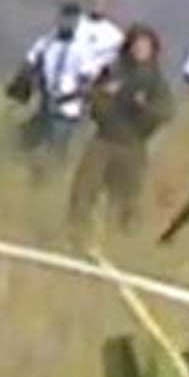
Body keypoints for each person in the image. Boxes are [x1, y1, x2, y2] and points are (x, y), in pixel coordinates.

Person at [68, 24, 174, 246]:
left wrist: (144, 108)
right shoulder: (113, 71)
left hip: (132, 147)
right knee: (83, 190)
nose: (140, 50)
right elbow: (93, 99)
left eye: (145, 46)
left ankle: (123, 242)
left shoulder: (156, 81)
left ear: (153, 50)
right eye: (136, 44)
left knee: (126, 200)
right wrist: (105, 97)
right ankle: (75, 234)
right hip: (104, 140)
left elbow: (165, 113)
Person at [6, 3, 92, 167]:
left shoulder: (82, 48)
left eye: (72, 19)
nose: (67, 23)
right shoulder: (46, 42)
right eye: (64, 18)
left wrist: (73, 98)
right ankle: (24, 172)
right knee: (23, 142)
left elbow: (86, 80)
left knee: (56, 151)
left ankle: (50, 180)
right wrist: (22, 81)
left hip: (67, 109)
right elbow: (30, 62)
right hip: (45, 103)